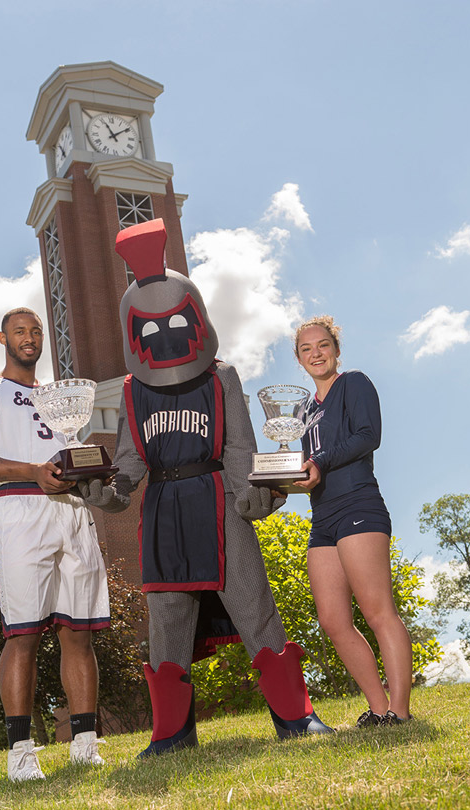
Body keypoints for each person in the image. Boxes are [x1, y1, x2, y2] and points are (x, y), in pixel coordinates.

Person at [83, 218, 333, 756]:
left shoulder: (221, 376)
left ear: (195, 316)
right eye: (151, 327)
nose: (165, 334)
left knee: (254, 605)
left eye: (175, 321)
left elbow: (240, 448)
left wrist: (252, 496)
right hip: (162, 510)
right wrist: (107, 492)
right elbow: (128, 464)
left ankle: (296, 716)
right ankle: (171, 734)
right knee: (167, 621)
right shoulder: (131, 391)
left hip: (219, 500)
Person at [0, 308, 110, 781]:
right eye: (19, 331)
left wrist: (92, 473)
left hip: (72, 509)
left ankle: (85, 745)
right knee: (23, 633)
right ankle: (21, 752)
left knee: (78, 631)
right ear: (3, 338)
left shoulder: (60, 397)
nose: (30, 338)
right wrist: (32, 472)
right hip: (21, 508)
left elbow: (69, 454)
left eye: (36, 331)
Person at [292, 315, 412, 726]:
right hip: (322, 517)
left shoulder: (354, 383)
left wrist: (319, 461)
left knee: (377, 611)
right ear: (299, 359)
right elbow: (307, 466)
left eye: (323, 345)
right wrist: (281, 481)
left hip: (358, 504)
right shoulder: (304, 410)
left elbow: (367, 435)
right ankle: (378, 709)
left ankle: (400, 711)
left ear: (336, 350)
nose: (316, 354)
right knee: (332, 621)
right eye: (306, 349)